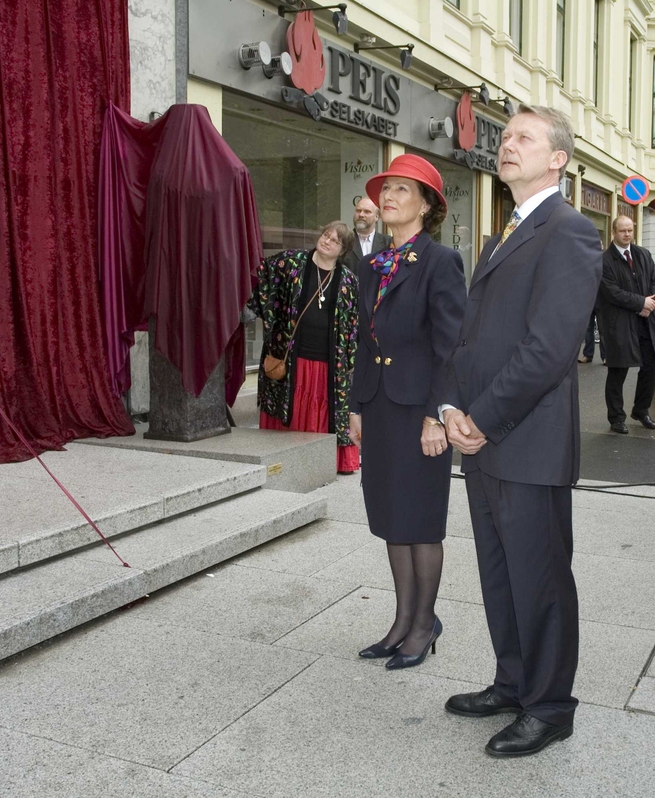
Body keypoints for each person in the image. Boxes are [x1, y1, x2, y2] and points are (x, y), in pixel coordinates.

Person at [438, 104, 602, 758]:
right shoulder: (505, 230)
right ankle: (511, 683)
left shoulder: (569, 232)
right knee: (500, 575)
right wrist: (452, 405)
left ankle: (550, 706)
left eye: (524, 138)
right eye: (505, 137)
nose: (507, 145)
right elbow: (471, 336)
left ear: (557, 158)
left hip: (525, 441)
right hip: (483, 441)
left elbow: (549, 349)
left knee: (540, 581)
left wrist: (481, 416)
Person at [348, 155, 467, 670]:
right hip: (379, 405)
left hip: (419, 411)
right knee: (392, 517)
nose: (388, 196)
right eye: (385, 188)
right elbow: (361, 342)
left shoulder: (440, 262)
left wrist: (436, 415)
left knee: (420, 521)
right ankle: (402, 620)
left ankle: (424, 625)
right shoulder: (372, 263)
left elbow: (451, 346)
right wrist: (355, 404)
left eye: (402, 189)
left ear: (427, 205)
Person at [252, 222, 359, 474]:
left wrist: (351, 363)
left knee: (323, 406)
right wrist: (256, 309)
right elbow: (263, 278)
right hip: (292, 357)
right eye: (325, 235)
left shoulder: (349, 282)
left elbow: (354, 326)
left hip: (327, 363)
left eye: (334, 240)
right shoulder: (292, 262)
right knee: (290, 402)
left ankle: (319, 463)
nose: (327, 241)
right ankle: (282, 459)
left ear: (342, 250)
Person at [598, 215, 655, 433]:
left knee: (650, 366)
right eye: (622, 231)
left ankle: (641, 410)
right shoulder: (605, 260)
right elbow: (611, 291)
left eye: (630, 230)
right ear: (613, 233)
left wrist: (651, 303)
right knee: (618, 369)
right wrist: (640, 302)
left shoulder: (642, 254)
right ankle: (616, 417)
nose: (627, 234)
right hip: (621, 322)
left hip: (646, 320)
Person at [351, 196, 393, 260]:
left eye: (367, 211)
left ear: (377, 217)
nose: (361, 215)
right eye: (358, 211)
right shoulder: (344, 240)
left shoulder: (388, 242)